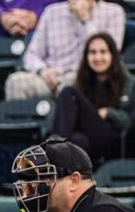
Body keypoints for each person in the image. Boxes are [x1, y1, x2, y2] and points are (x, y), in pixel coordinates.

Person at [3, 0, 125, 101]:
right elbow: (32, 54)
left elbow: (111, 53)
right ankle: (22, 122)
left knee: (71, 84)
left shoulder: (114, 12)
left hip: (87, 79)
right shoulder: (52, 12)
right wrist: (42, 70)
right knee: (17, 82)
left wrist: (85, 20)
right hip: (51, 77)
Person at [50, 33, 134, 163]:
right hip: (88, 140)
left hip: (114, 139)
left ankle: (54, 150)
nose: (97, 57)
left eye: (103, 52)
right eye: (92, 52)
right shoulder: (81, 82)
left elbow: (129, 123)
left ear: (113, 55)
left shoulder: (129, 83)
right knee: (77, 140)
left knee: (68, 93)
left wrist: (108, 112)